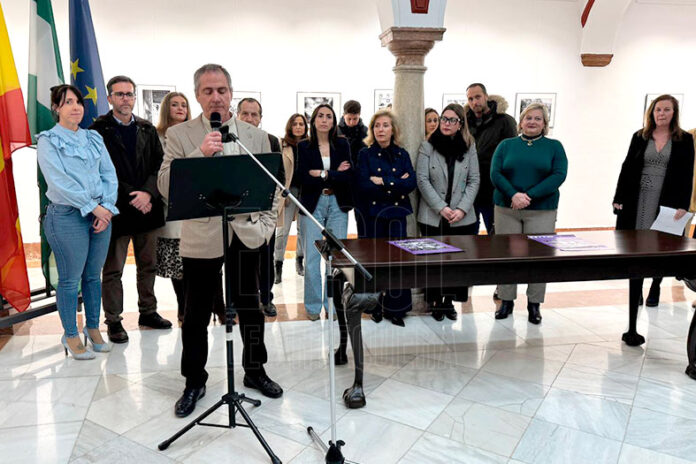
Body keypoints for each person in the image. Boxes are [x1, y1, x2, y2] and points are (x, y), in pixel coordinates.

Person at [158, 64, 283, 418]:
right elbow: (166, 185)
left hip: (246, 232)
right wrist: (200, 153)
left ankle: (255, 370)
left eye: (222, 90)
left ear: (231, 93)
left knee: (251, 307)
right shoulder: (180, 134)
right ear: (197, 95)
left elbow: (272, 186)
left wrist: (266, 227)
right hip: (202, 234)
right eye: (208, 91)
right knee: (196, 312)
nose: (216, 97)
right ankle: (194, 380)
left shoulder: (255, 135)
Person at [37, 84, 119, 359]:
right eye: (67, 102)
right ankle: (70, 334)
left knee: (93, 276)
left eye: (78, 102)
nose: (75, 107)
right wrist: (94, 207)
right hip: (67, 216)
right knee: (70, 280)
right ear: (56, 108)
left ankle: (93, 328)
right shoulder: (48, 140)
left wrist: (106, 209)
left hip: (100, 214)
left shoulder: (94, 138)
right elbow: (58, 182)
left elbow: (109, 174)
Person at [91, 76, 171, 344]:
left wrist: (148, 193)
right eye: (120, 94)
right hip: (115, 208)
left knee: (148, 265)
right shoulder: (97, 130)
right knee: (113, 269)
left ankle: (148, 312)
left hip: (148, 207)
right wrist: (131, 196)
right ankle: (113, 320)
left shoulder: (147, 128)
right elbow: (100, 171)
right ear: (110, 98)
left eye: (129, 94)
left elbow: (160, 165)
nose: (125, 99)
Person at [613, 95, 694, 307]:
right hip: (638, 197)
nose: (661, 114)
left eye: (667, 110)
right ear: (652, 113)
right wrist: (619, 197)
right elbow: (627, 167)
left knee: (661, 244)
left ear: (674, 113)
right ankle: (636, 289)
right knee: (636, 244)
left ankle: (655, 286)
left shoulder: (685, 139)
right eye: (658, 109)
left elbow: (687, 174)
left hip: (667, 197)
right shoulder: (640, 136)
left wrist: (683, 205)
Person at [491, 103, 568, 324]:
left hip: (542, 210)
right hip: (507, 209)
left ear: (544, 124)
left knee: (539, 258)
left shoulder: (554, 147)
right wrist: (513, 195)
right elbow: (495, 173)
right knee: (507, 256)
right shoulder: (506, 145)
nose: (532, 122)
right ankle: (506, 301)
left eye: (537, 118)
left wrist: (528, 196)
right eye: (528, 118)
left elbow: (559, 175)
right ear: (521, 122)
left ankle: (534, 304)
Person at [416, 103, 480, 321]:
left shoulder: (469, 146)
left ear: (460, 124)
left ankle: (448, 302)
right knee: (434, 260)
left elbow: (474, 179)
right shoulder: (427, 146)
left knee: (455, 261)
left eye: (452, 120)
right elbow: (422, 180)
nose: (446, 123)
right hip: (433, 215)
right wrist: (441, 207)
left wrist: (461, 209)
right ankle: (434, 301)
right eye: (444, 118)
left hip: (462, 216)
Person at [357, 110, 417, 326]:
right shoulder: (365, 154)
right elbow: (364, 185)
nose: (380, 129)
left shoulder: (402, 154)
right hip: (374, 215)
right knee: (376, 261)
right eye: (377, 126)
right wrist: (397, 182)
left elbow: (411, 183)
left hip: (397, 215)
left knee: (398, 261)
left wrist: (383, 181)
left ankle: (397, 309)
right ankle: (375, 306)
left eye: (385, 125)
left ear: (393, 130)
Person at [297, 104, 353, 321]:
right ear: (313, 121)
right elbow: (303, 177)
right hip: (313, 204)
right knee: (312, 259)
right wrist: (333, 173)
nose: (324, 120)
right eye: (320, 116)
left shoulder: (342, 144)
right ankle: (313, 307)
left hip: (337, 204)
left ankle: (333, 306)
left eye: (329, 116)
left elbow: (348, 175)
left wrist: (322, 174)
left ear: (334, 121)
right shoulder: (304, 146)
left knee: (336, 259)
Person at [236, 97, 282, 317]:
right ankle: (236, 301)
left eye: (254, 114)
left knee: (265, 257)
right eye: (245, 113)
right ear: (237, 116)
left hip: (263, 209)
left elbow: (279, 176)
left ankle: (266, 298)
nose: (249, 118)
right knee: (237, 260)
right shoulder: (228, 139)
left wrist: (270, 211)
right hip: (236, 211)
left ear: (260, 118)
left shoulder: (271, 141)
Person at [154, 92, 191, 324]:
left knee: (195, 262)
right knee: (177, 263)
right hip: (170, 204)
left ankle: (198, 305)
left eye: (184, 105)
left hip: (195, 206)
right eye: (175, 104)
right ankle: (182, 306)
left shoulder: (195, 134)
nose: (180, 108)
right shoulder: (157, 136)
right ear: (166, 108)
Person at [465, 83, 517, 234]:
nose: (474, 102)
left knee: (496, 234)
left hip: (494, 187)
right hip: (469, 187)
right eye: (470, 99)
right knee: (469, 234)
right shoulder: (465, 122)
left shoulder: (505, 121)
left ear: (486, 96)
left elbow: (511, 156)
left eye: (478, 97)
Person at [274, 113, 308, 283]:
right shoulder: (282, 144)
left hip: (305, 192)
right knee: (283, 230)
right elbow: (277, 170)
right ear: (290, 126)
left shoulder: (310, 145)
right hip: (288, 192)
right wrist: (282, 192)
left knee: (303, 230)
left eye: (301, 124)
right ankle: (278, 264)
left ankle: (299, 260)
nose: (298, 127)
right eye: (295, 124)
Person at [337, 100, 368, 238]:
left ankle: (364, 247)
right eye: (349, 118)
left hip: (360, 181)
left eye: (355, 119)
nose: (351, 122)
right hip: (341, 181)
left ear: (359, 115)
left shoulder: (366, 132)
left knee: (362, 222)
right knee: (338, 222)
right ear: (343, 115)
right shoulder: (335, 131)